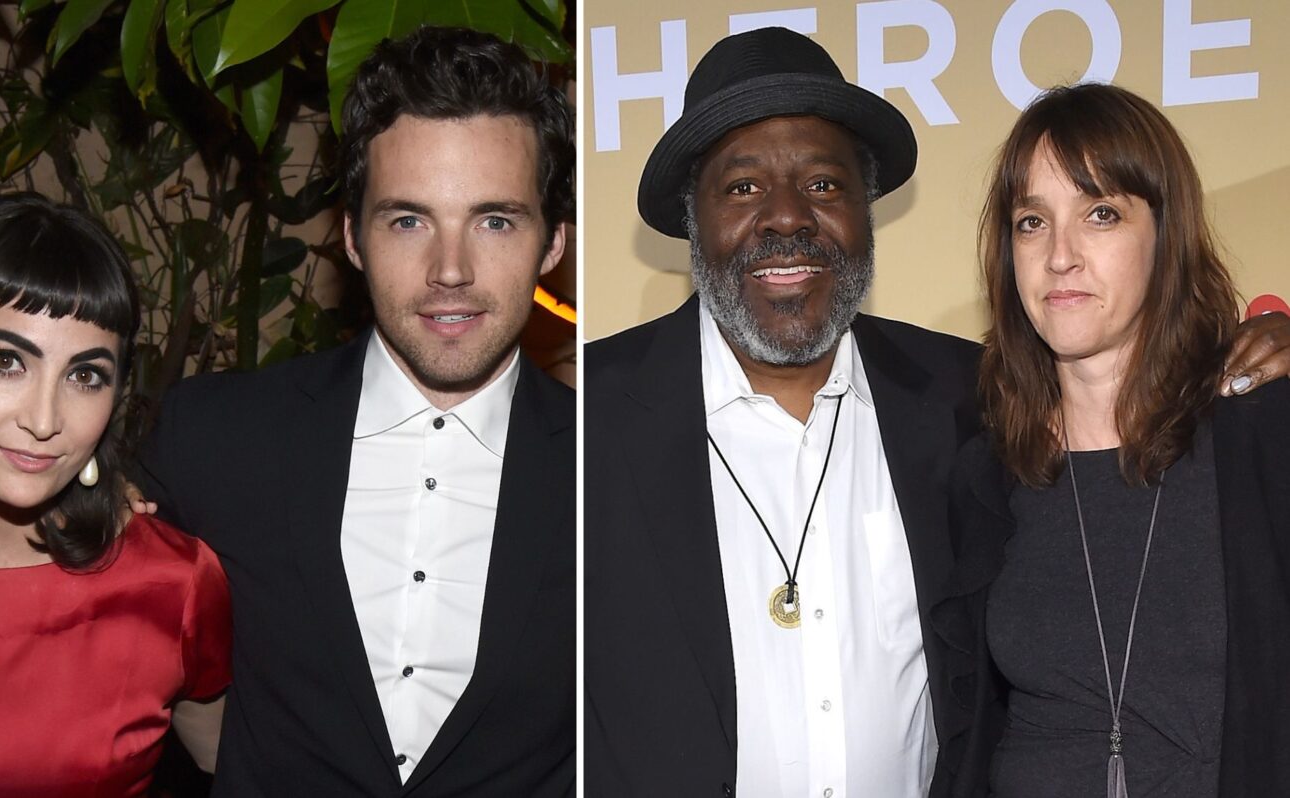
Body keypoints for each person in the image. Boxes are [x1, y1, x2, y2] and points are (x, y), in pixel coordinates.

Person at [583, 27, 1290, 798]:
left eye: (823, 184)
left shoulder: (962, 400)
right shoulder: (588, 423)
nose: (787, 218)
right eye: (743, 188)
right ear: (693, 216)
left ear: (867, 212)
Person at [136, 26, 576, 795]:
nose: (450, 270)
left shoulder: (621, 469)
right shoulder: (212, 438)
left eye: (495, 220)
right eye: (408, 220)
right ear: (352, 237)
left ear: (552, 244)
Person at [930, 82, 1290, 797]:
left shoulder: (1259, 437)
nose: (1060, 255)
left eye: (1101, 214)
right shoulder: (988, 473)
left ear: (1166, 235)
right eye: (1032, 222)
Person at [0, 193, 231, 795]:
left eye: (85, 375)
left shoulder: (170, 585)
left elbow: (246, 767)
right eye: (6, 361)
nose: (44, 420)